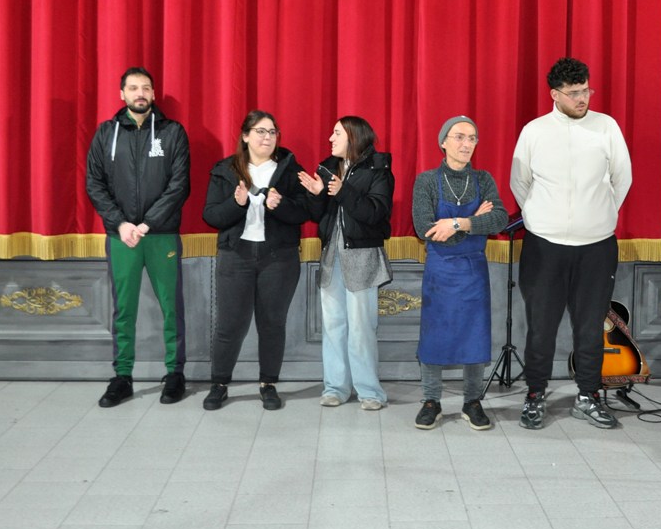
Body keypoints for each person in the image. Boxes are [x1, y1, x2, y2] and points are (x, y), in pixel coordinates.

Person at [510, 57, 633, 430]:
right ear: (555, 94)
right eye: (574, 93)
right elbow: (520, 182)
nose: (583, 98)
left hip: (597, 246)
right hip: (544, 247)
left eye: (586, 90)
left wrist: (597, 216)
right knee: (541, 327)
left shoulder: (606, 127)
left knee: (590, 326)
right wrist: (541, 218)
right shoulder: (534, 131)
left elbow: (622, 178)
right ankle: (535, 395)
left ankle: (588, 396)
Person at [86, 66, 191, 407]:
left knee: (171, 307)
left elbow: (179, 185)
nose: (140, 93)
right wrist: (121, 224)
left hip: (161, 235)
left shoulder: (173, 132)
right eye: (133, 88)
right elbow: (94, 183)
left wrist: (146, 224)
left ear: (154, 93)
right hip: (122, 237)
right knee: (124, 310)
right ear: (122, 94)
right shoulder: (106, 133)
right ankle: (122, 377)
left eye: (145, 87)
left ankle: (175, 374)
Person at [201, 110, 310, 411]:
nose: (267, 137)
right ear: (246, 136)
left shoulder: (290, 169)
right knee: (229, 325)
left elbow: (305, 212)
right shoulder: (225, 170)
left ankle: (268, 384)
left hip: (279, 258)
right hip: (236, 256)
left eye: (273, 132)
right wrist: (236, 203)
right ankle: (219, 384)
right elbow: (211, 215)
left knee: (272, 323)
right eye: (260, 131)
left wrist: (281, 205)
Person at [412, 116, 508, 430]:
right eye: (459, 137)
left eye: (472, 138)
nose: (466, 144)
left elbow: (499, 220)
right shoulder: (426, 181)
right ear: (443, 142)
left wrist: (457, 223)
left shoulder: (483, 180)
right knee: (434, 335)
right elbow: (425, 229)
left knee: (474, 336)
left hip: (473, 271)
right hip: (439, 271)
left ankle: (472, 401)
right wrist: (475, 222)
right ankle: (431, 401)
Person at [299, 116, 394, 410]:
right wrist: (317, 196)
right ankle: (335, 388)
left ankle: (370, 392)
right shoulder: (328, 168)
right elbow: (318, 216)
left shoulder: (379, 169)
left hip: (362, 257)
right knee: (333, 325)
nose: (330, 138)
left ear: (354, 137)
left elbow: (375, 213)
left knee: (362, 328)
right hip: (332, 256)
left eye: (337, 133)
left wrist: (343, 191)